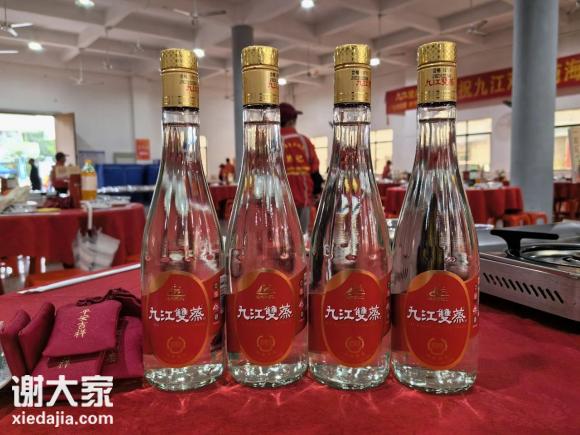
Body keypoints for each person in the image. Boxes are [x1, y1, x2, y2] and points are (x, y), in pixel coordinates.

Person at [280, 102, 319, 234]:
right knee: (300, 236)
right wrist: (316, 191)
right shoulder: (304, 141)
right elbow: (315, 170)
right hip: (304, 196)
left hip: (280, 198)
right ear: (291, 121)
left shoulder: (272, 142)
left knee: (281, 236)